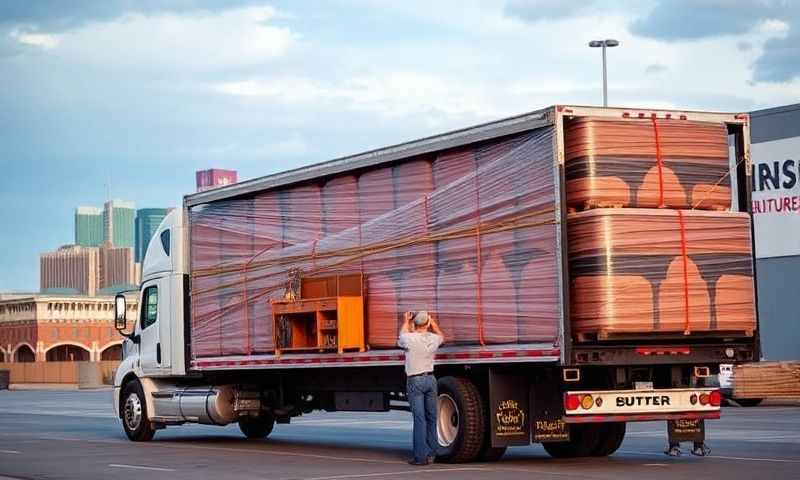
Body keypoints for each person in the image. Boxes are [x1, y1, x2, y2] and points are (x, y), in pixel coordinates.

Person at [398, 310, 444, 466]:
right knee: (432, 418)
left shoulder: (409, 339)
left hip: (415, 380)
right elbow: (441, 335)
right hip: (431, 379)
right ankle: (433, 453)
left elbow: (402, 335)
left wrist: (406, 320)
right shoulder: (434, 339)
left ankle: (420, 457)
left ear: (414, 323)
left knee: (420, 419)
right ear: (428, 323)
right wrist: (433, 323)